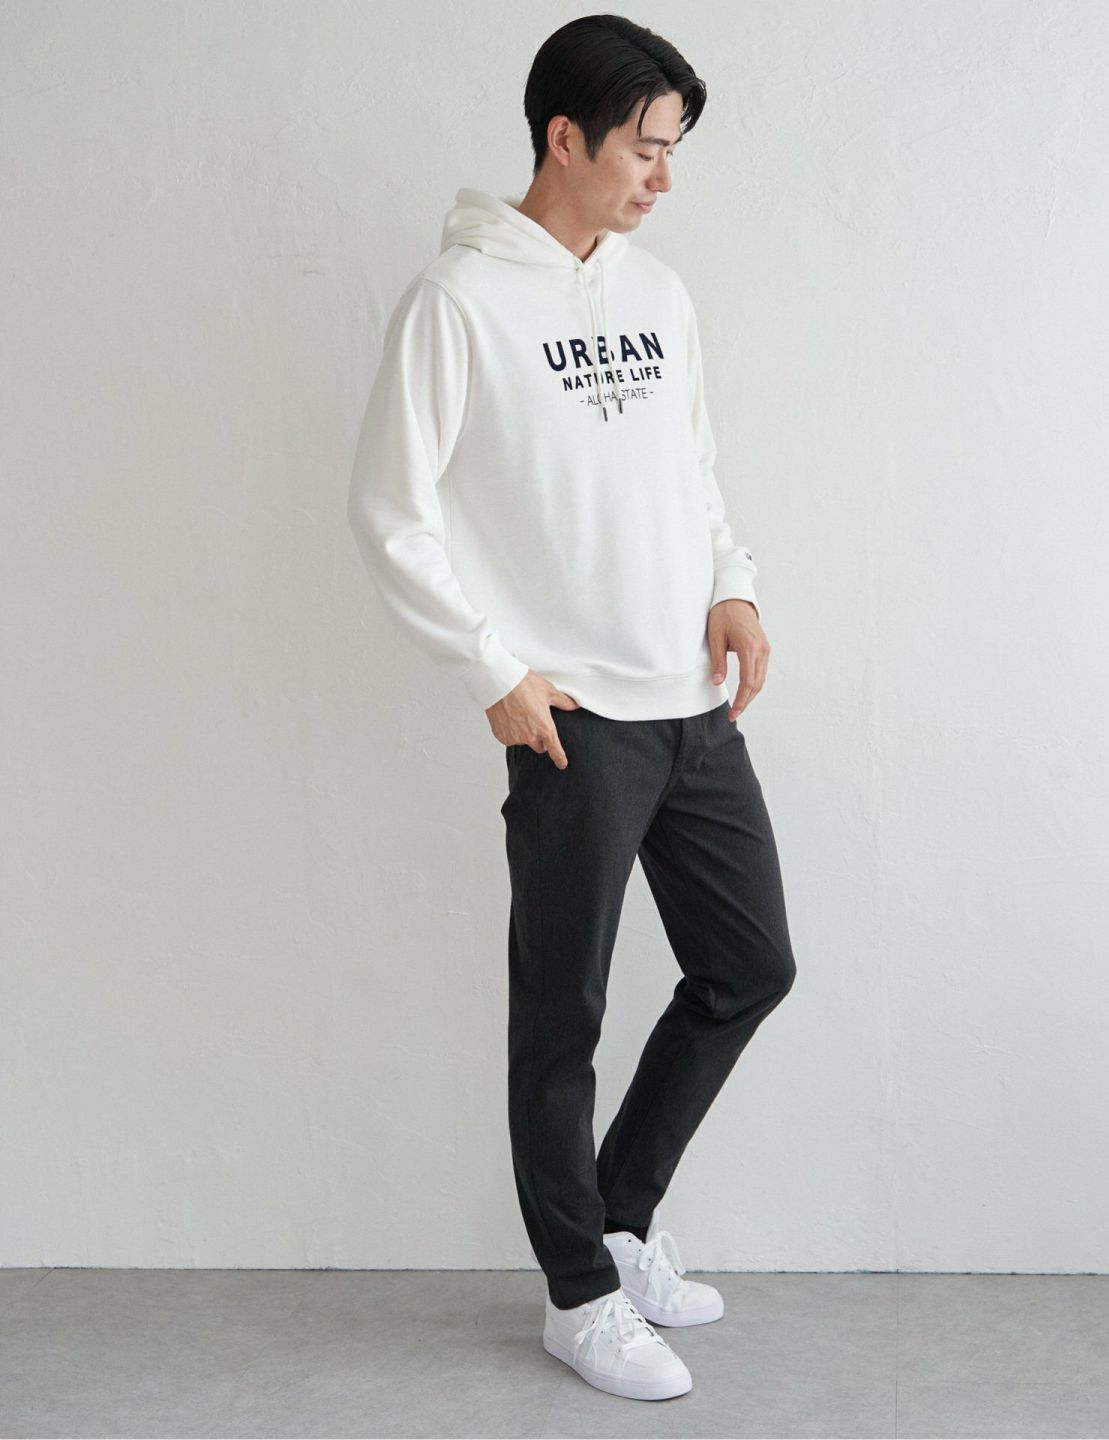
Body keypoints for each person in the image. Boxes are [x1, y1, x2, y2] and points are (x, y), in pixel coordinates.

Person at [346, 13, 796, 1404]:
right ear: (564, 137)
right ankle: (580, 1296)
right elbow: (388, 512)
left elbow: (693, 470)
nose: (663, 176)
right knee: (563, 1017)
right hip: (573, 721)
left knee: (749, 964)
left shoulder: (658, 292)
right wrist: (495, 670)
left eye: (672, 151)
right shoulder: (458, 302)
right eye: (646, 148)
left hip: (691, 705)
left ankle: (620, 1222)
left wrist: (733, 588)